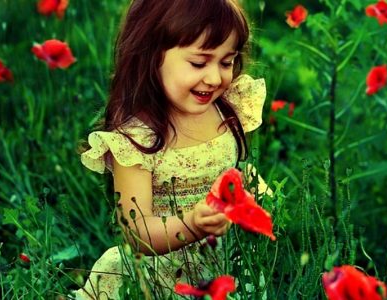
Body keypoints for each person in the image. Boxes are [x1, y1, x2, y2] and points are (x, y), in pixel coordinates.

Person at [73, 1, 268, 299]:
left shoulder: (226, 110)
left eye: (226, 62)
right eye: (199, 63)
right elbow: (137, 233)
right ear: (152, 57)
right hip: (159, 278)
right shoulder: (138, 140)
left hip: (224, 265)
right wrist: (192, 224)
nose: (215, 78)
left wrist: (251, 194)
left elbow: (231, 172)